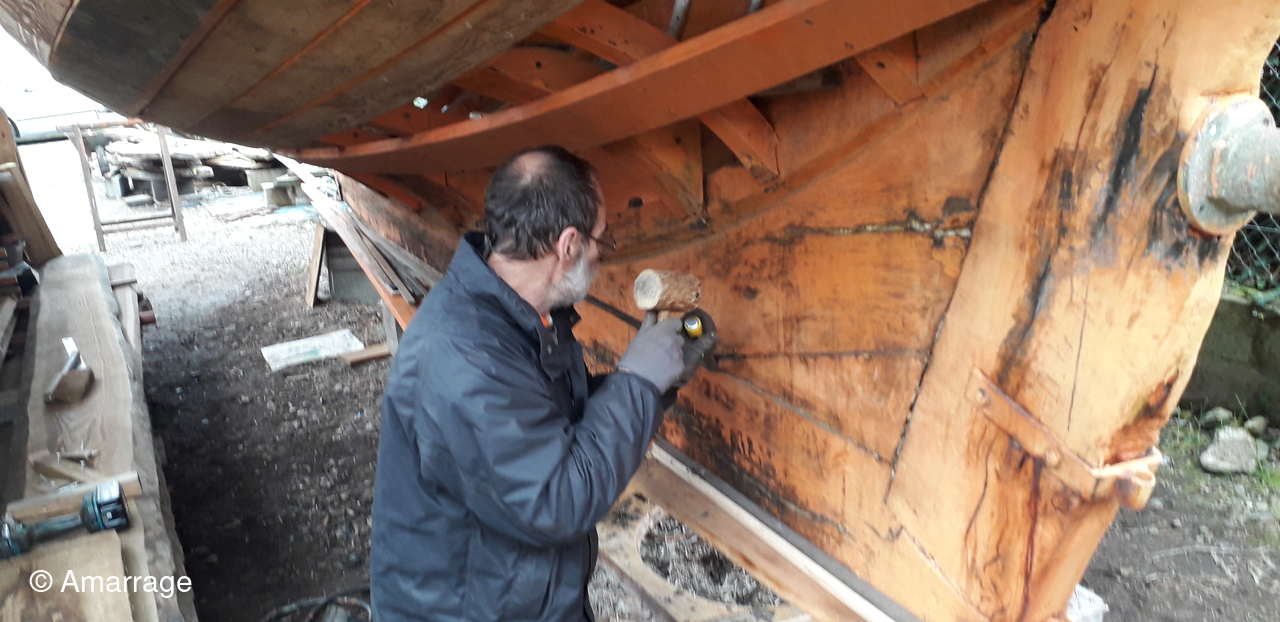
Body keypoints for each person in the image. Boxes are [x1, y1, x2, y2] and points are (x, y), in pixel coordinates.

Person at [371, 145, 717, 621]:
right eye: (601, 240)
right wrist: (637, 381)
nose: (601, 255)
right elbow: (557, 500)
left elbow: (548, 428)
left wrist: (656, 382)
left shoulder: (517, 318)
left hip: (520, 596)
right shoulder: (463, 356)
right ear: (568, 245)